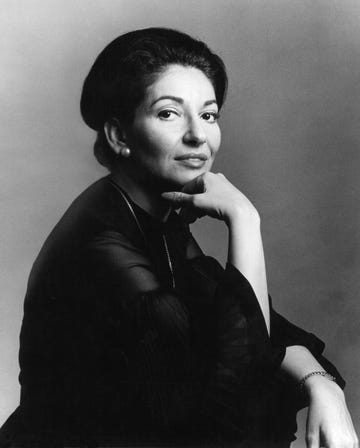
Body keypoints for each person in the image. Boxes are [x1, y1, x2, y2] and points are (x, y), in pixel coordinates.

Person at [0, 27, 357, 448]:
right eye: (169, 113)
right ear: (119, 135)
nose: (198, 135)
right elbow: (229, 407)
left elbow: (256, 327)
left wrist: (322, 386)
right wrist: (245, 219)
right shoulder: (102, 248)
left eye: (208, 114)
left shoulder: (153, 219)